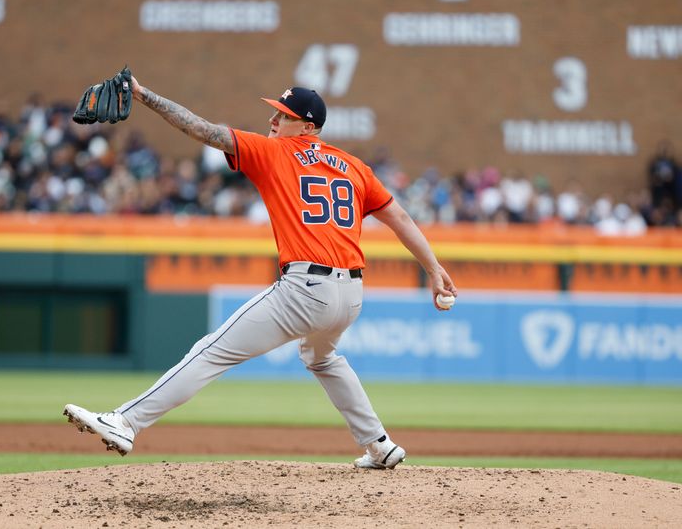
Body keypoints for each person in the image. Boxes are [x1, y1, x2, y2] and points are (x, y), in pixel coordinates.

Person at [64, 77, 458, 469]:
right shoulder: (354, 166)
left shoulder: (274, 152)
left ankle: (125, 422)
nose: (273, 119)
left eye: (284, 115)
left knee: (210, 351)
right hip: (351, 294)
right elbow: (400, 217)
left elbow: (201, 129)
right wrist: (433, 269)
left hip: (305, 289)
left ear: (307, 126)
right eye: (275, 111)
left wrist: (144, 94)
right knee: (322, 358)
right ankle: (379, 445)